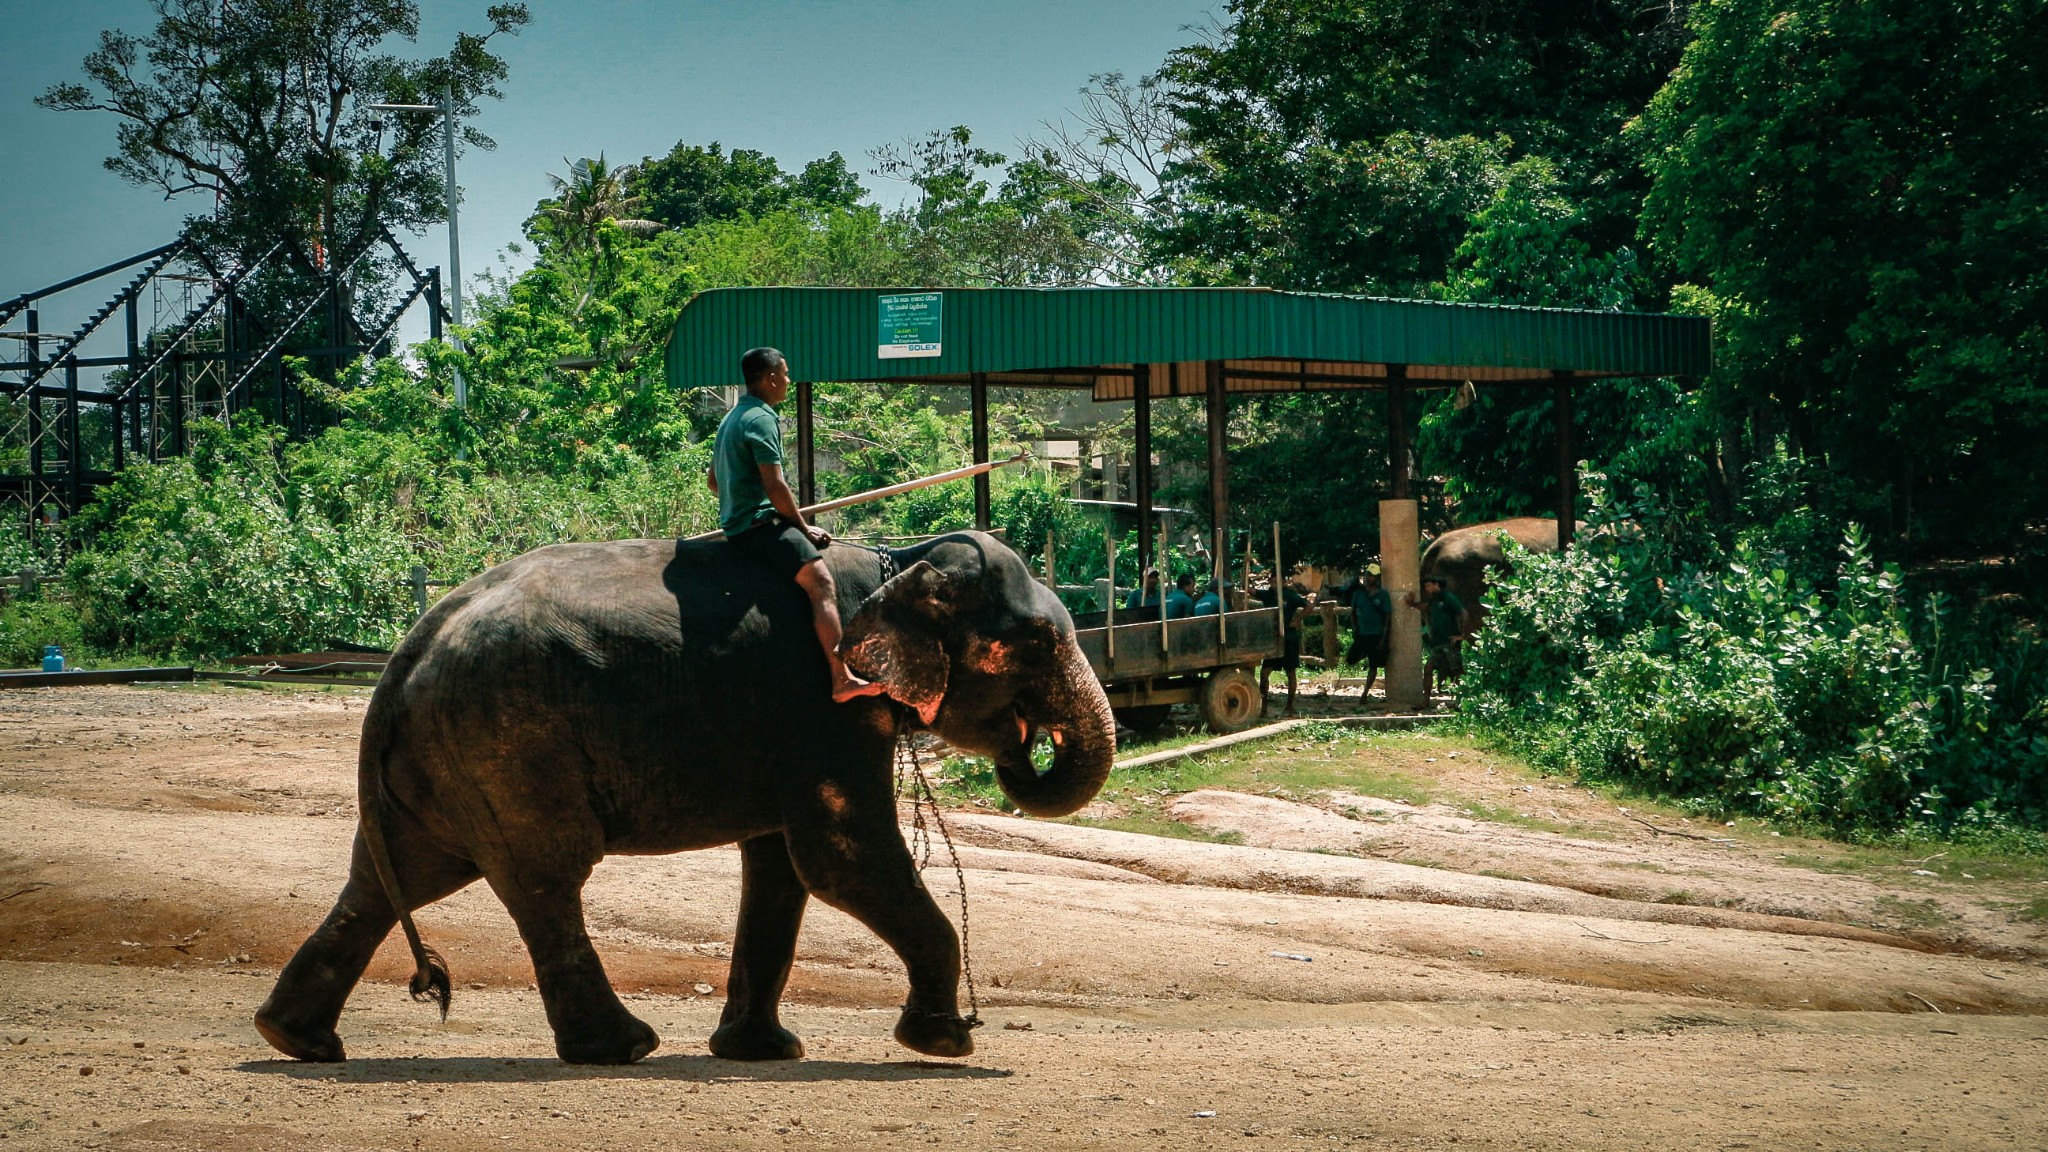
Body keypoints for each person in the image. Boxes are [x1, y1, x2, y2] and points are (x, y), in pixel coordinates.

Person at [707, 346, 882, 704]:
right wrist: (803, 529)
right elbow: (776, 486)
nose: (789, 380)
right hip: (759, 527)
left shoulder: (732, 417)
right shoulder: (762, 418)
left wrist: (737, 503)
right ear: (771, 378)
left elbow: (713, 481)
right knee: (821, 582)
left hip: (738, 525)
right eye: (785, 373)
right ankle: (842, 678)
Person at [1334, 565, 1392, 705]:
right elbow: (1353, 612)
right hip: (1362, 633)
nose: (1368, 578)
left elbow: (1388, 616)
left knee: (1374, 665)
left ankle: (1364, 694)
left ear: (1377, 577)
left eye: (1371, 575)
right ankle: (1365, 654)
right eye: (1367, 575)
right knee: (1351, 659)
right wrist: (1355, 629)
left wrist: (1384, 638)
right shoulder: (1358, 594)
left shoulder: (1383, 594)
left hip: (1376, 634)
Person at [1405, 574, 1468, 702]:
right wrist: (1411, 603)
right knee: (1428, 668)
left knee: (1458, 671)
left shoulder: (1448, 597)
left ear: (1436, 585)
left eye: (1428, 586)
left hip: (1450, 642)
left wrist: (1462, 635)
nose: (1426, 589)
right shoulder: (1434, 600)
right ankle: (1425, 701)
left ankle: (1462, 702)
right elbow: (1425, 607)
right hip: (1438, 643)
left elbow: (1464, 613)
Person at [1256, 571, 1311, 717]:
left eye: (1277, 582)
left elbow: (1309, 605)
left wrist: (1297, 620)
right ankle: (1264, 707)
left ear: (1283, 582)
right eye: (1272, 582)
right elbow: (1248, 591)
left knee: (1291, 672)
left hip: (1289, 638)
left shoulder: (1290, 596)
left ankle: (1289, 706)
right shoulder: (1267, 595)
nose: (1275, 585)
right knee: (1264, 672)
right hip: (1273, 639)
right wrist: (1246, 565)